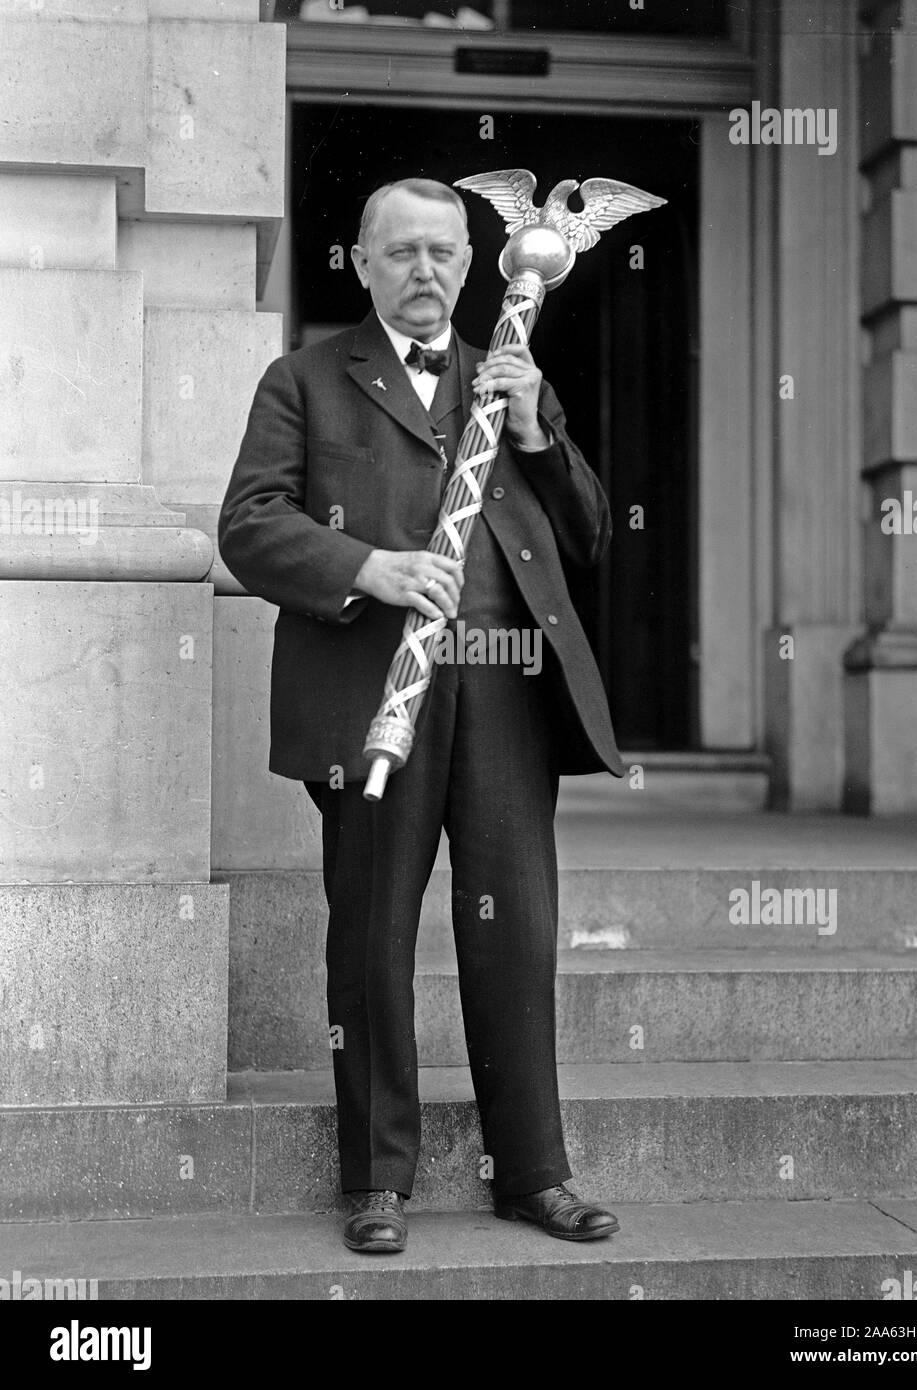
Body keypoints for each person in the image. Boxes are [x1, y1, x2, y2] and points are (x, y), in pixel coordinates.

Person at [218, 177, 624, 1254]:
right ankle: (378, 1180)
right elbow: (250, 526)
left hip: (504, 693)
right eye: (400, 252)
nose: (426, 271)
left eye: (444, 251)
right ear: (358, 262)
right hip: (370, 702)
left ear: (473, 261)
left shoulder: (508, 379)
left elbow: (589, 533)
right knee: (370, 941)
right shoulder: (303, 381)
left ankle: (533, 1173)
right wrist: (370, 565)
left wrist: (539, 431)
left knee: (516, 936)